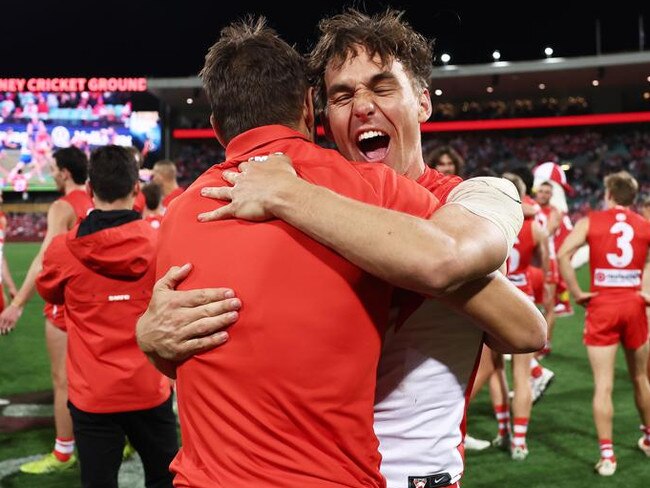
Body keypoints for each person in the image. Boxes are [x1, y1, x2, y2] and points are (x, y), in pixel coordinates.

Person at [138, 9, 545, 488]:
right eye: (342, 95)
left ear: (422, 102)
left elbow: (520, 325)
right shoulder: (288, 194)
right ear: (320, 114)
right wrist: (150, 334)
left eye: (382, 87)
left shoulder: (477, 195)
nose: (363, 105)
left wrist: (290, 195)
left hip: (413, 476)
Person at [36, 145, 177, 488]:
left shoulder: (63, 250)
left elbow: (50, 293)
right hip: (150, 388)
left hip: (92, 394)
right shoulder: (165, 243)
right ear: (136, 190)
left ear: (88, 189)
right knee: (165, 479)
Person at [0, 147, 93, 474]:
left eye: (54, 169)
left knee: (62, 380)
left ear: (65, 172)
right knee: (92, 376)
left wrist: (17, 303)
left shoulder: (61, 206)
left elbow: (43, 258)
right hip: (95, 302)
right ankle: (112, 438)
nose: (52, 173)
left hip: (65, 301)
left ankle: (64, 452)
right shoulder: (97, 199)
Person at [558, 170, 650, 476]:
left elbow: (563, 254)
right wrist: (646, 291)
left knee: (604, 385)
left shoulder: (590, 221)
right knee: (640, 378)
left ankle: (608, 456)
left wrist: (576, 292)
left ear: (608, 194)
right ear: (633, 198)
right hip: (634, 305)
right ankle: (649, 439)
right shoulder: (643, 224)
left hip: (602, 305)